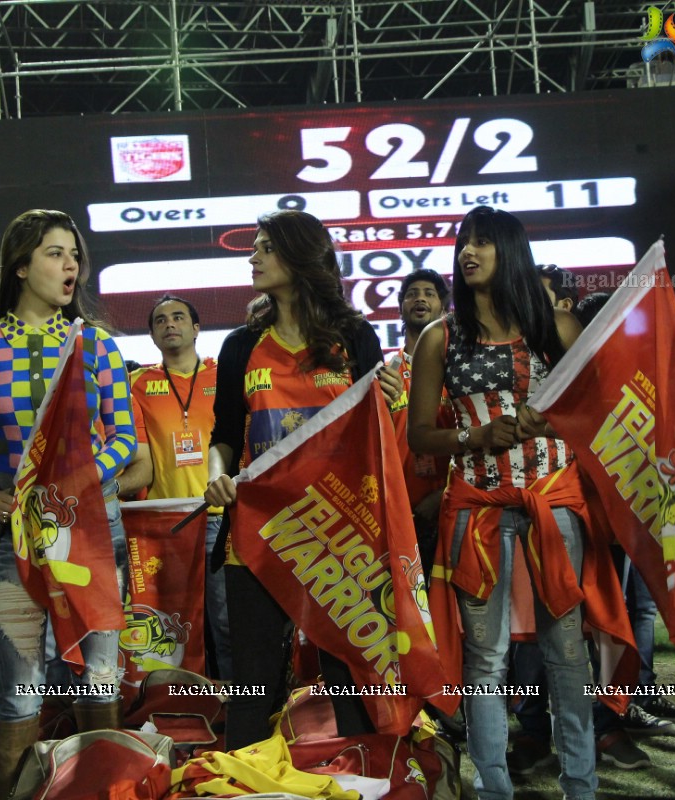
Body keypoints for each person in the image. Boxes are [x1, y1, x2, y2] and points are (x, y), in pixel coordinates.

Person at [408, 205, 595, 800]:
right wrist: (476, 436)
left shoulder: (556, 328)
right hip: (474, 508)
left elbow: (593, 414)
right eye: (463, 242)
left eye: (482, 243)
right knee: (485, 662)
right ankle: (493, 790)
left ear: (509, 250)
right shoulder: (440, 337)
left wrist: (554, 420)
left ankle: (582, 788)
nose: (468, 252)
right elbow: (418, 437)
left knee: (567, 654)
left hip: (552, 499)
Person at [0, 209, 136, 799]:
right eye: (57, 254)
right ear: (21, 265)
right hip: (10, 536)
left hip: (91, 531)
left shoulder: (98, 345)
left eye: (75, 256)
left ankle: (99, 792)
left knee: (100, 679)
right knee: (20, 688)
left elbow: (124, 439)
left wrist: (74, 489)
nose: (71, 267)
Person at [203, 209, 398, 749]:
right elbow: (223, 434)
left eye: (266, 247)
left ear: (298, 254)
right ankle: (245, 780)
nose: (253, 257)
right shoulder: (241, 345)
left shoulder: (355, 337)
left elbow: (377, 431)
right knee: (253, 684)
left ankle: (365, 775)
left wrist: (394, 401)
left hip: (339, 536)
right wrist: (217, 478)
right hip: (257, 535)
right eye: (256, 247)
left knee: (349, 679)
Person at [126, 295, 231, 680]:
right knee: (174, 629)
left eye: (179, 317)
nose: (170, 324)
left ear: (197, 328)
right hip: (165, 525)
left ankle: (236, 710)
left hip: (220, 518)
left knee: (225, 624)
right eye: (160, 321)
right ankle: (182, 706)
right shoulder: (136, 384)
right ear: (152, 336)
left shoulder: (224, 376)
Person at [383, 269, 452, 574]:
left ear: (444, 307)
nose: (420, 298)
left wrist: (442, 495)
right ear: (401, 306)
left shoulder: (458, 374)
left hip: (453, 506)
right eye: (412, 293)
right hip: (400, 515)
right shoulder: (385, 376)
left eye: (429, 293)